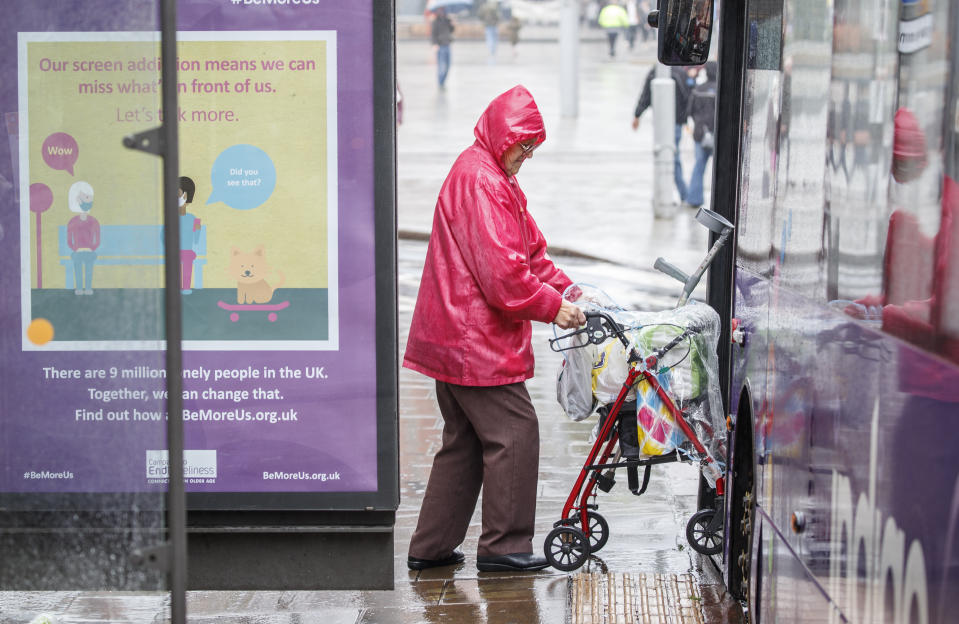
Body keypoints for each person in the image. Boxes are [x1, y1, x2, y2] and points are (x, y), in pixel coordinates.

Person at [404, 85, 586, 573]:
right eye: (523, 145)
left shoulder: (488, 173)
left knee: (463, 442)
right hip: (473, 343)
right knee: (515, 432)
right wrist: (555, 308)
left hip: (455, 337)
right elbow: (506, 279)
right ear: (504, 136)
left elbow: (530, 256)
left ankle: (431, 547)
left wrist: (570, 292)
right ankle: (504, 547)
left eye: (532, 149)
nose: (526, 156)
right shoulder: (483, 181)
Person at [631, 65, 699, 203]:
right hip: (675, 123)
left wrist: (637, 115)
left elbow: (645, 96)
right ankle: (673, 194)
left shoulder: (656, 72)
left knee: (668, 157)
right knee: (670, 157)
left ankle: (677, 194)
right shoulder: (680, 73)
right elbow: (690, 96)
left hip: (665, 124)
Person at [684, 61, 717, 209]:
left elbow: (689, 111)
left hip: (699, 134)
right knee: (720, 170)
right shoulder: (721, 91)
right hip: (717, 135)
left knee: (699, 166)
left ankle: (694, 199)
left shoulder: (698, 90)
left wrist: (699, 123)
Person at [66, 180, 99, 295]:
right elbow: (69, 240)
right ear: (77, 199)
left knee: (89, 271)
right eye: (87, 197)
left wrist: (92, 248)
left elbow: (97, 238)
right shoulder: (72, 222)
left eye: (90, 197)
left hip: (89, 251)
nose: (90, 200)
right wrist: (75, 248)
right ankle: (79, 288)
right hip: (78, 252)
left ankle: (88, 288)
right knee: (78, 271)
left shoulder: (94, 221)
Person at [178, 176, 201, 293]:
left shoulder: (192, 219)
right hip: (174, 251)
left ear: (186, 196)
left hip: (187, 251)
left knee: (187, 264)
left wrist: (197, 229)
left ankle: (186, 287)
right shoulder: (172, 219)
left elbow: (196, 240)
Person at [430, 8, 454, 89]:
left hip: (447, 45)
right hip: (440, 46)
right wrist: (434, 44)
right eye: (440, 10)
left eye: (443, 10)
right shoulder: (435, 21)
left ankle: (442, 81)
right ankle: (440, 83)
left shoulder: (448, 20)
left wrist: (452, 23)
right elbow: (433, 34)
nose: (442, 12)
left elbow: (451, 30)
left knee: (448, 66)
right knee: (441, 67)